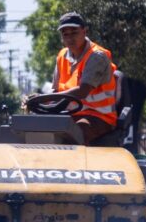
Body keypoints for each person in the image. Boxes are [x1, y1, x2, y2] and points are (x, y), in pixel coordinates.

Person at [24, 12, 118, 145]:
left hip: (98, 117)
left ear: (85, 32)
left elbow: (82, 91)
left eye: (74, 32)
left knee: (72, 135)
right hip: (71, 115)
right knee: (37, 129)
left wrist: (44, 97)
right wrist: (37, 101)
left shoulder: (96, 56)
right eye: (65, 34)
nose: (69, 38)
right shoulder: (62, 56)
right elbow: (56, 93)